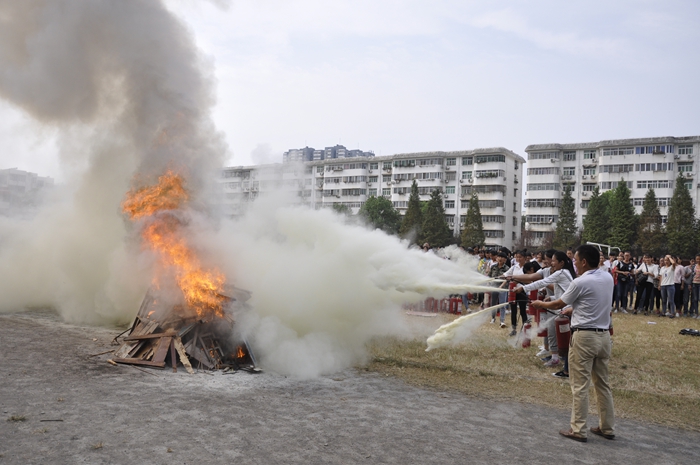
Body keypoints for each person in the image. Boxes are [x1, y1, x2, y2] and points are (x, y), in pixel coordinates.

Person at [532, 244, 615, 442]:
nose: (574, 263)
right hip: (604, 337)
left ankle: (578, 429)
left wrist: (540, 304)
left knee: (580, 385)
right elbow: (592, 302)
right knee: (603, 384)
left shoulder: (580, 281)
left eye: (575, 260)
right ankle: (607, 428)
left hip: (585, 337)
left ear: (584, 262)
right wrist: (573, 310)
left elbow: (558, 303)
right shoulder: (607, 276)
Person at [516, 251, 576, 368]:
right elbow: (564, 292)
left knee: (556, 332)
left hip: (564, 309)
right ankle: (561, 359)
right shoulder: (564, 272)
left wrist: (523, 288)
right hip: (563, 307)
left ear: (562, 262)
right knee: (557, 333)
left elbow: (543, 282)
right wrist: (552, 297)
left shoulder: (561, 273)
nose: (551, 263)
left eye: (553, 260)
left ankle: (559, 360)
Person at [502, 250, 529, 336]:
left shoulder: (527, 267)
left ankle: (525, 329)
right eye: (517, 257)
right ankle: (514, 329)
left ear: (525, 258)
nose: (518, 259)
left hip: (523, 291)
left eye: (520, 257)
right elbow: (506, 275)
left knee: (522, 311)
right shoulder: (514, 267)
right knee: (513, 311)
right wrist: (498, 277)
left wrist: (518, 280)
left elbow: (529, 279)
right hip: (513, 292)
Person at [489, 252, 510, 327]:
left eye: (502, 257)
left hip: (503, 288)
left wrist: (501, 286)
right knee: (493, 303)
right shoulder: (493, 267)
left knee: (502, 304)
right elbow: (490, 276)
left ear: (505, 259)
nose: (500, 259)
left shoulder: (507, 268)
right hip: (494, 287)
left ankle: (502, 321)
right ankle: (493, 318)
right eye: (499, 257)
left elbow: (507, 279)